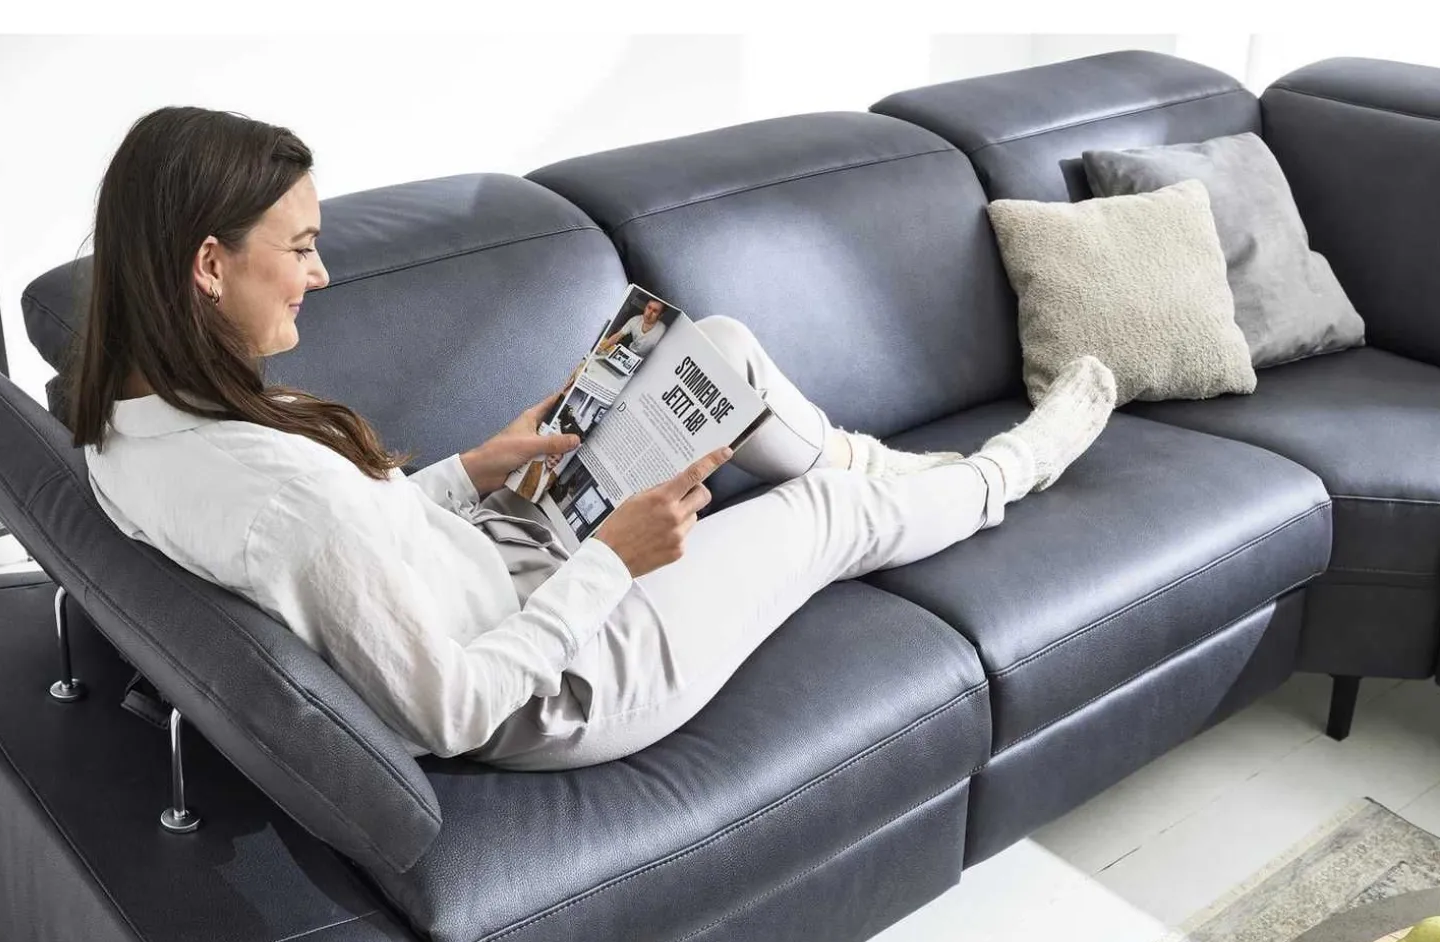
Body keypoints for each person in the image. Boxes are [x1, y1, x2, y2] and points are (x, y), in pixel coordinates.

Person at [73, 107, 1118, 772]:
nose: (320, 273)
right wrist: (616, 557)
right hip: (566, 678)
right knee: (829, 512)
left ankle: (891, 470)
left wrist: (473, 469)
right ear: (209, 265)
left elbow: (354, 545)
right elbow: (455, 712)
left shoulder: (128, 424)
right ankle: (1008, 469)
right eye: (300, 247)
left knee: (714, 354)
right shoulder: (274, 498)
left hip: (503, 557)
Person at [596, 297, 671, 359]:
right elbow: (617, 336)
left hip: (645, 361)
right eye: (649, 307)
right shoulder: (635, 319)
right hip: (629, 353)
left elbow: (661, 354)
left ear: (660, 315)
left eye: (655, 311)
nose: (649, 313)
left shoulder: (663, 331)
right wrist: (601, 349)